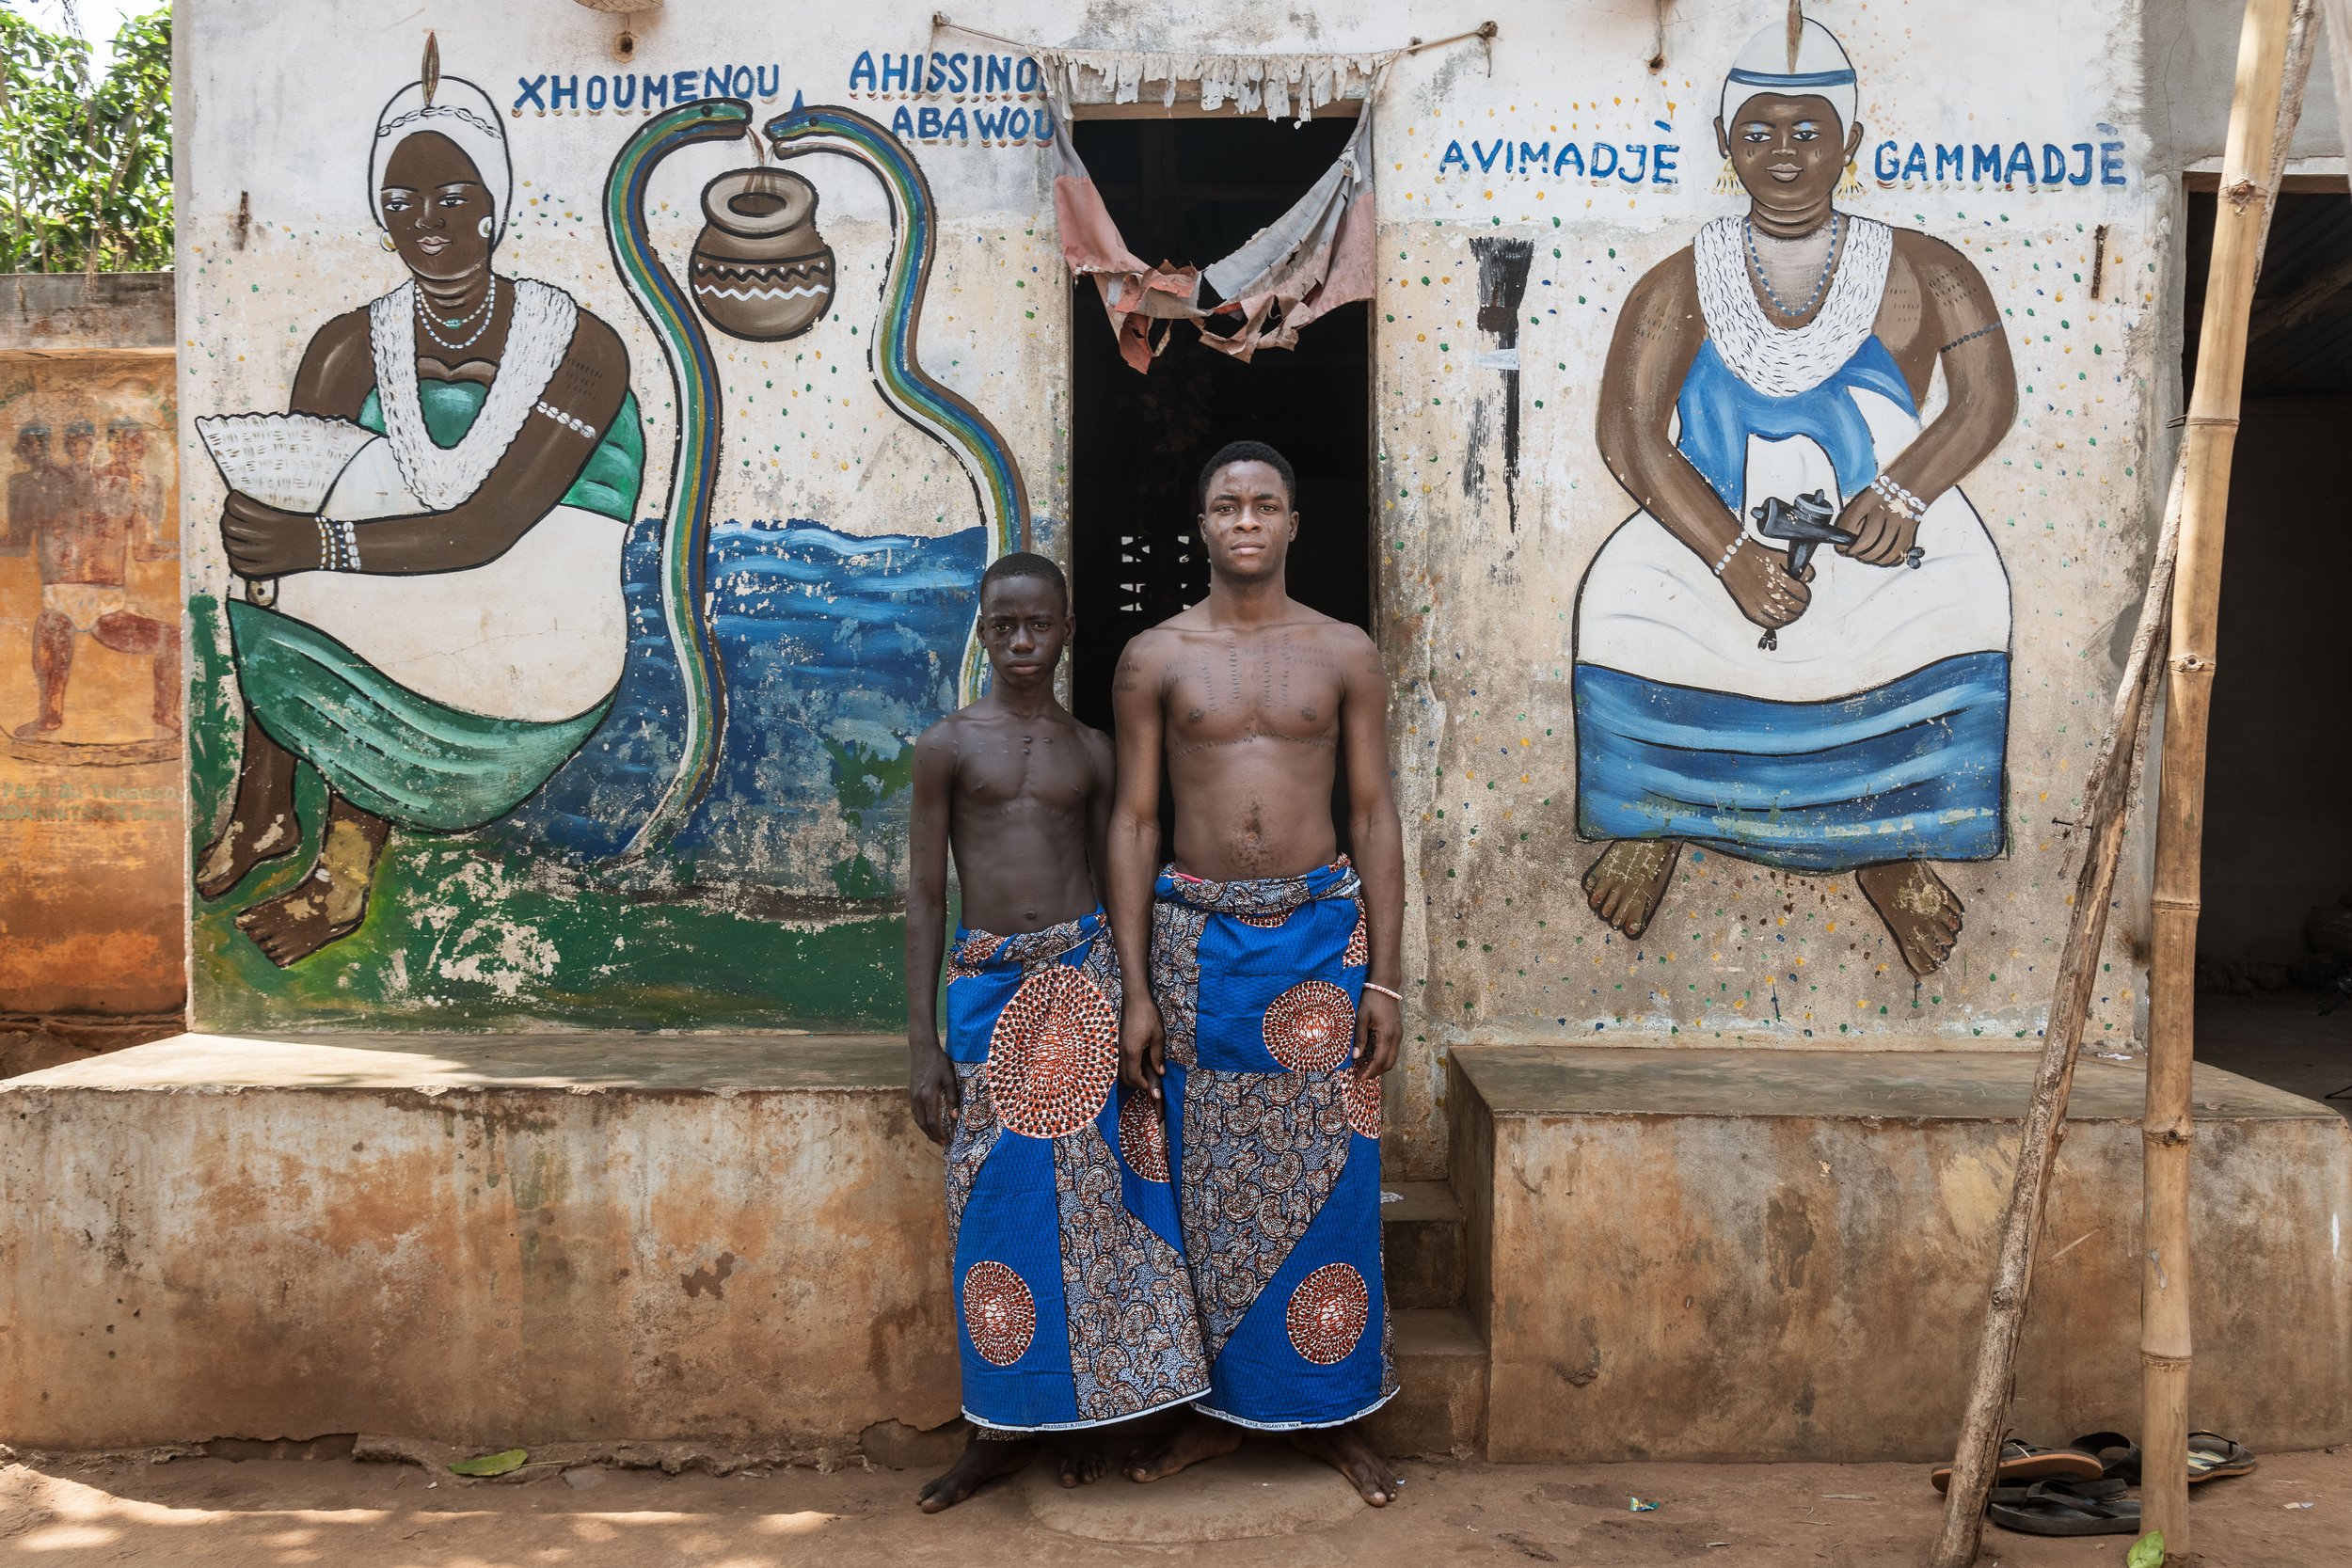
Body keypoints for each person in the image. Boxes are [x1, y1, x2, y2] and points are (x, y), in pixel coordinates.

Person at [1577, 12, 2017, 976]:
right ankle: (1658, 819)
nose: (1784, 153)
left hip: (1874, 535)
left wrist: (1903, 492)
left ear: (1850, 142)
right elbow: (1626, 433)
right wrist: (1727, 557)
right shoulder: (1674, 282)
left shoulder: (1930, 270)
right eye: (1759, 132)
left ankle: (1889, 848)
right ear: (1725, 144)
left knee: (1951, 606)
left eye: (1808, 130)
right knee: (1627, 606)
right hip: (1711, 529)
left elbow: (1988, 401)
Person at [196, 59, 644, 965]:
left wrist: (313, 541)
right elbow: (296, 510)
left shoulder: (583, 349)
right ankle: (264, 802)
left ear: (492, 203)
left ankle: (341, 874)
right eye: (401, 201)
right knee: (291, 528)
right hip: (413, 578)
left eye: (450, 195)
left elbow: (490, 527)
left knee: (339, 531)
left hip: (546, 617)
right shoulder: (347, 345)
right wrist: (267, 530)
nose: (426, 223)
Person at [1107, 440, 1406, 1506]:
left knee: (1334, 1178)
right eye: (1226, 504)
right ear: (1201, 524)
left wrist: (1387, 976)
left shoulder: (1343, 652)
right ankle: (1209, 1414)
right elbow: (1135, 819)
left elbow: (1372, 812)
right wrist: (1135, 984)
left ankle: (1335, 1410)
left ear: (1292, 523)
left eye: (1265, 503)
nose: (1246, 518)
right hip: (1194, 945)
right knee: (1192, 1181)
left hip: (1321, 946)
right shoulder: (1153, 656)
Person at [904, 550, 1209, 1512]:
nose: (1023, 639)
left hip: (1079, 982)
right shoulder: (946, 746)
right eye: (1005, 624)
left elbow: (1124, 880)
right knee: (991, 1204)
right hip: (988, 992)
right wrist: (920, 1043)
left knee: (1093, 1210)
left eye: (1040, 623)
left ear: (1067, 629)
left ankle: (1091, 1416)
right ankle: (999, 1426)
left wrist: (1132, 996)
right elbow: (922, 893)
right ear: (983, 631)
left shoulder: (1091, 751)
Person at [15, 419, 180, 740]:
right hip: (59, 597)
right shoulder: (68, 482)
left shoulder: (139, 487)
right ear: (112, 445)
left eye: (141, 443)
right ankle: (49, 718)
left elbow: (145, 550)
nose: (139, 449)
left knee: (174, 640)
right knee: (50, 643)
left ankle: (165, 713)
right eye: (132, 442)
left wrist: (189, 550)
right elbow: (26, 537)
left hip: (107, 604)